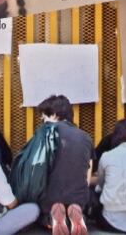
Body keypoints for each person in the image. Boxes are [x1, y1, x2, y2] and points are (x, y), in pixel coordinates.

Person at [35, 94, 94, 235]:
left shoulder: (45, 133)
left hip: (50, 199)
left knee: (36, 211)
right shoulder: (86, 137)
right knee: (87, 197)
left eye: (44, 118)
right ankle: (77, 215)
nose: (43, 122)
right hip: (79, 197)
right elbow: (88, 175)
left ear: (55, 115)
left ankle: (51, 219)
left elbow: (35, 171)